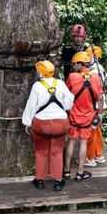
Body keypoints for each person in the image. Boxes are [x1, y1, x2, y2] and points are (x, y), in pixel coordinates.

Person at [22, 60, 74, 191]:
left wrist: (27, 123)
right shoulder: (60, 83)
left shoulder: (37, 86)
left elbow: (31, 105)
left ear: (40, 72)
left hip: (42, 125)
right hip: (60, 124)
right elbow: (69, 103)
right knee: (57, 152)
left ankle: (39, 180)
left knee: (41, 152)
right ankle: (58, 180)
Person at [64, 51, 103, 182]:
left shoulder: (72, 77)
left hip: (74, 116)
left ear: (80, 65)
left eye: (75, 64)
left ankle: (67, 171)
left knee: (71, 142)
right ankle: (80, 173)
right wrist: (100, 114)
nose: (73, 66)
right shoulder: (96, 78)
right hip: (88, 117)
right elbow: (100, 98)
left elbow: (65, 92)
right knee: (83, 143)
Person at [85, 46, 107, 167]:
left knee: (91, 132)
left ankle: (91, 157)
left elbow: (97, 93)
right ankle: (99, 155)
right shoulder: (100, 69)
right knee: (97, 131)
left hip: (94, 105)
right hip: (100, 105)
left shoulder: (93, 73)